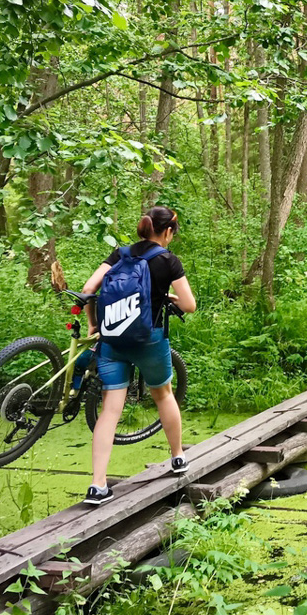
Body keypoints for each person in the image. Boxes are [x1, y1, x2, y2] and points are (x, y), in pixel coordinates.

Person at [79, 207, 196, 505]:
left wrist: (94, 324)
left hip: (113, 342)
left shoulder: (120, 253)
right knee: (163, 394)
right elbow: (190, 305)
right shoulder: (168, 261)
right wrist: (167, 296)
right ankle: (178, 457)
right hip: (149, 340)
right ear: (168, 231)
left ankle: (98, 486)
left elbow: (89, 289)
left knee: (110, 411)